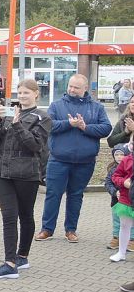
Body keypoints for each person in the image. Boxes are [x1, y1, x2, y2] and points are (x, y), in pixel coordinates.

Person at [0, 79, 52, 279]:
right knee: (9, 217)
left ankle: (22, 256)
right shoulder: (9, 113)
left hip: (26, 174)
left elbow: (34, 146)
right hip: (3, 172)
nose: (22, 96)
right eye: (19, 92)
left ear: (36, 94)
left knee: (25, 215)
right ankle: (10, 263)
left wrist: (17, 125)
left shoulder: (43, 117)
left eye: (26, 93)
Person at [37, 74, 111, 243]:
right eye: (70, 86)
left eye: (76, 87)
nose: (71, 90)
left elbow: (106, 128)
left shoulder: (97, 107)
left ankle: (71, 230)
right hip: (58, 160)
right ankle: (47, 229)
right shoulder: (56, 105)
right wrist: (69, 124)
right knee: (53, 194)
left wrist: (85, 127)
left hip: (85, 161)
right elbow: (49, 126)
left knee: (76, 195)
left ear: (85, 89)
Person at [105, 144, 134, 251]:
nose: (119, 157)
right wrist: (114, 192)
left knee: (130, 221)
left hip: (129, 200)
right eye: (116, 154)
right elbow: (108, 183)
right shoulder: (112, 170)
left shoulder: (130, 167)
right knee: (117, 221)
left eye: (121, 154)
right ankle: (116, 238)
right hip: (116, 201)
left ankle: (132, 240)